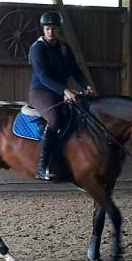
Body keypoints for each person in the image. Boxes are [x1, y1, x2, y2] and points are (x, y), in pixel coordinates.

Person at [28, 10, 95, 181]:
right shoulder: (37, 49)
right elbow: (43, 77)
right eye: (48, 28)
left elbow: (75, 69)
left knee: (80, 113)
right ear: (43, 29)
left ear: (59, 30)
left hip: (60, 91)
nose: (51, 32)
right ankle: (42, 166)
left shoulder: (65, 48)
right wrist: (65, 90)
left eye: (54, 29)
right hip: (41, 91)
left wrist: (86, 85)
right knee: (55, 119)